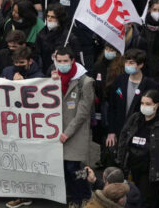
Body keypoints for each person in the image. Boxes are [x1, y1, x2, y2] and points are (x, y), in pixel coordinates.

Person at [52, 46, 95, 207]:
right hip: (59, 130)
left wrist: (67, 133)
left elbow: (83, 113)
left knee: (75, 168)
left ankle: (85, 195)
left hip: (75, 133)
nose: (62, 64)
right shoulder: (56, 78)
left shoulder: (85, 82)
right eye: (59, 61)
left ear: (72, 61)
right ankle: (74, 197)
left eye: (65, 61)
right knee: (65, 167)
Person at [105, 49, 159, 149]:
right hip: (120, 130)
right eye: (126, 62)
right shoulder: (119, 80)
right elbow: (112, 107)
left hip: (140, 132)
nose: (127, 65)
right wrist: (111, 131)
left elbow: (157, 112)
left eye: (131, 63)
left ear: (140, 65)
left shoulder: (150, 85)